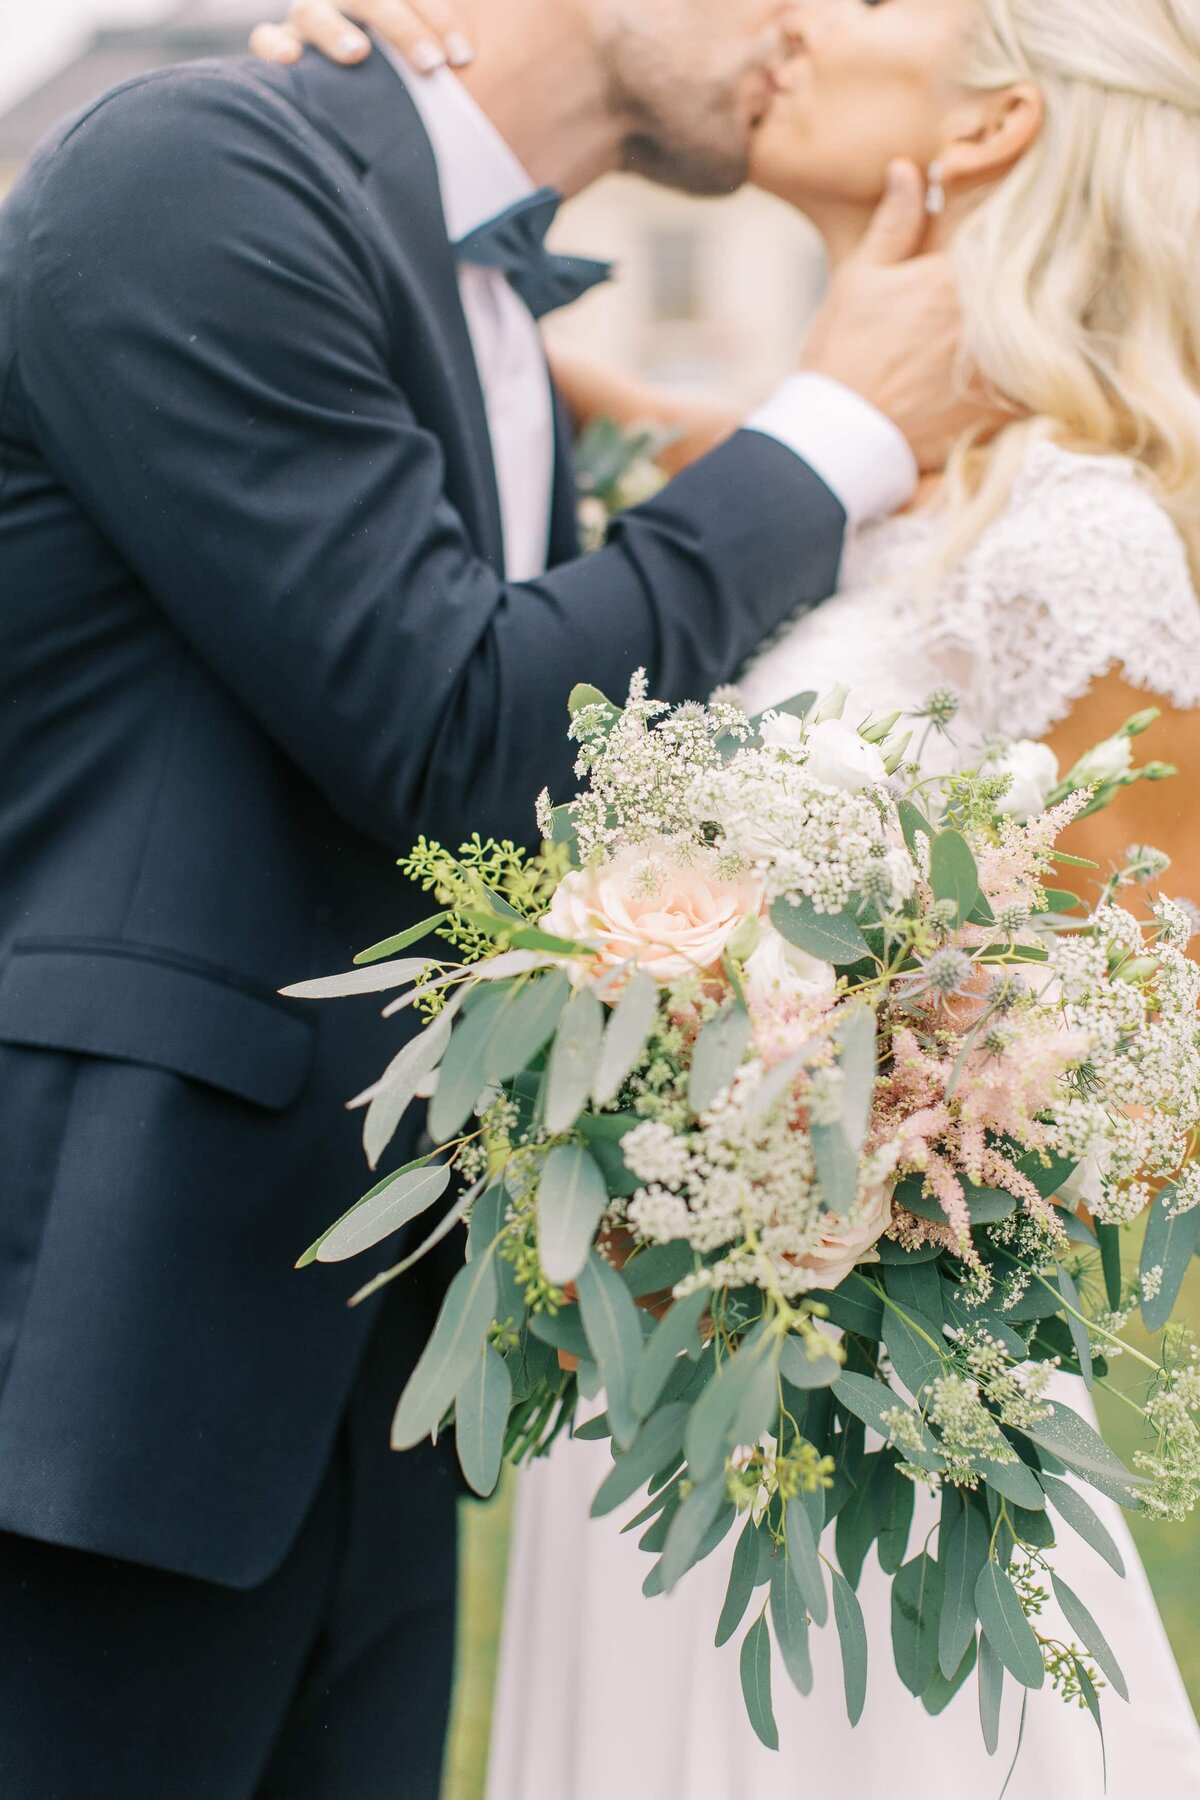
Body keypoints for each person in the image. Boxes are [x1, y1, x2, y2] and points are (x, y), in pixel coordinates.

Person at [0, 0, 986, 1794]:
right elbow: (463, 734)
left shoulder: (501, 309)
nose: (808, 21)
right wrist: (831, 430)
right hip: (107, 1339)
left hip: (374, 1360)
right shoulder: (193, 166)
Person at [261, 0, 1200, 1793]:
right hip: (645, 1366)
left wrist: (885, 1114)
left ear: (992, 123)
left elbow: (1146, 1026)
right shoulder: (779, 478)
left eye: (858, 1)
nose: (788, 14)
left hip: (864, 1403)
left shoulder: (1079, 533)